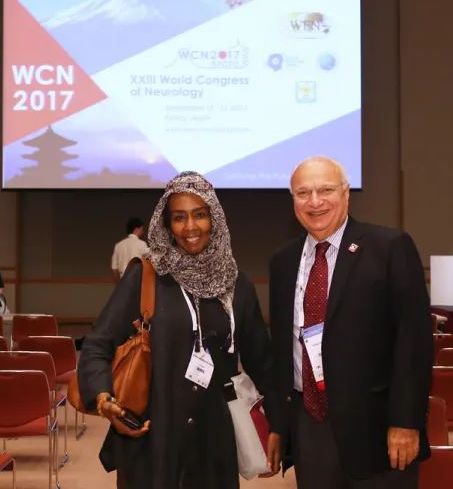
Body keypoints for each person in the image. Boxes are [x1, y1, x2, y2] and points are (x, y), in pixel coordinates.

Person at [78, 172, 281, 489]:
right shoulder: (145, 277)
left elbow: (262, 361)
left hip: (214, 443)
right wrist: (104, 399)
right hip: (152, 440)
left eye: (199, 214)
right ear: (166, 224)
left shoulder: (237, 284)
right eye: (179, 217)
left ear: (214, 218)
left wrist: (278, 424)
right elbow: (96, 345)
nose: (190, 227)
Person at [269, 156, 433, 489]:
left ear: (346, 194)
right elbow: (282, 350)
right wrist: (280, 424)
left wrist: (406, 421)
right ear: (293, 199)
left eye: (326, 190)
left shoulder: (390, 248)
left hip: (378, 428)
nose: (315, 202)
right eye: (303, 193)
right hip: (310, 425)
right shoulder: (282, 261)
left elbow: (413, 342)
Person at [111, 217, 147, 283]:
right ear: (136, 229)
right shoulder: (142, 244)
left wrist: (118, 282)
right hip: (137, 281)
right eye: (141, 229)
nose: (143, 232)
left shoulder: (118, 245)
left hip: (122, 280)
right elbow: (147, 265)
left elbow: (114, 268)